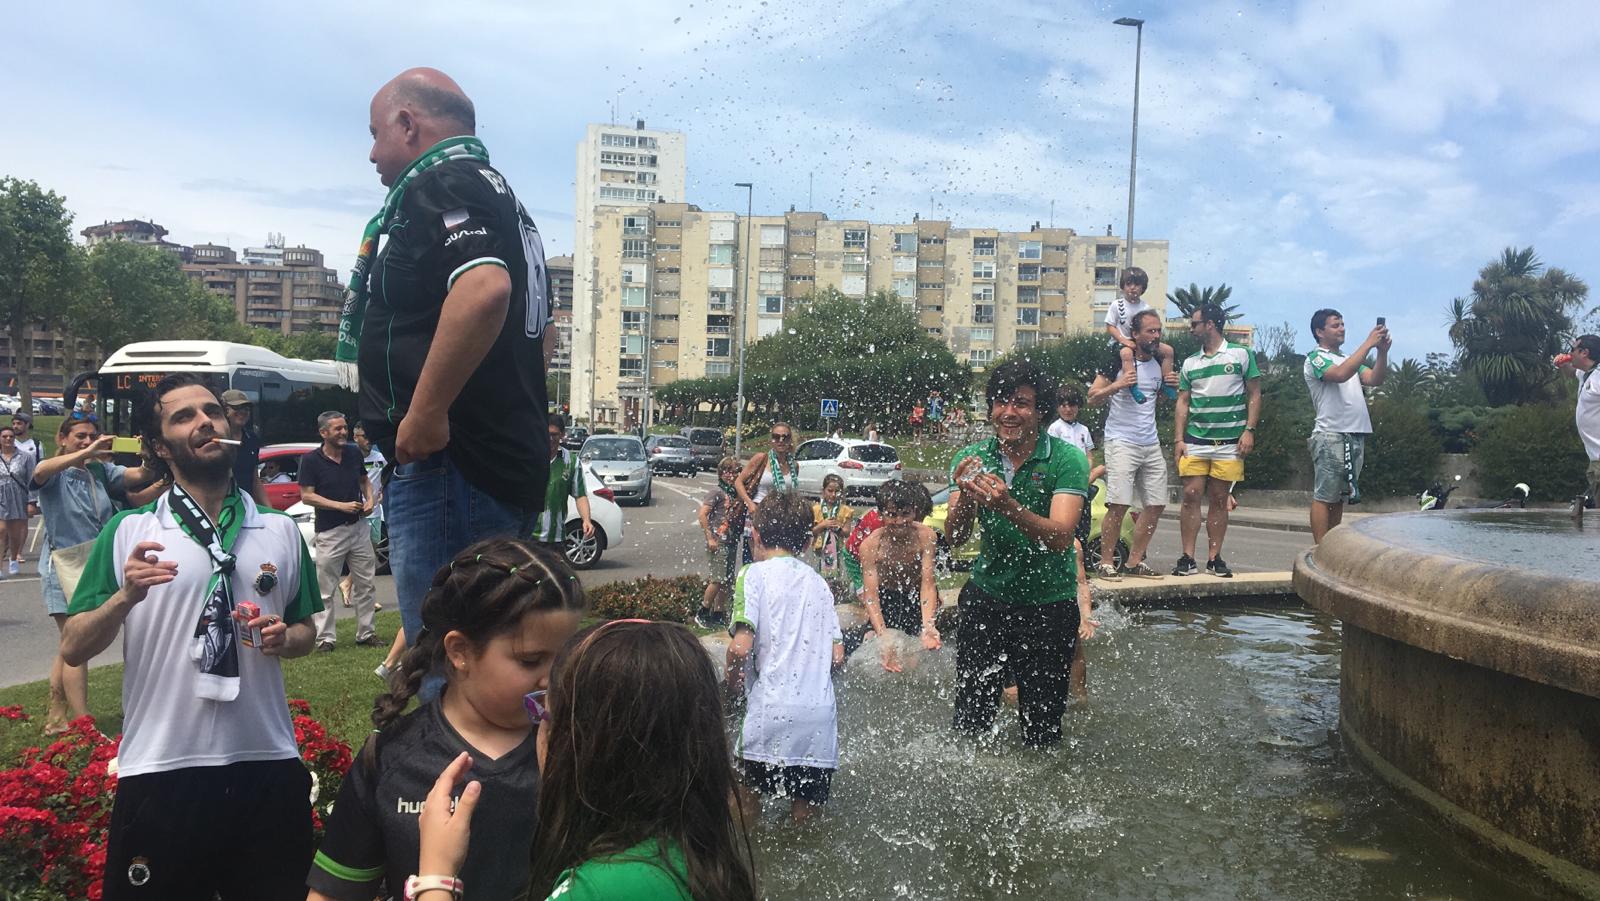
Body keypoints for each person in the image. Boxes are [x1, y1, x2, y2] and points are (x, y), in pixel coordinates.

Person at [60, 373, 322, 900]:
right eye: (184, 416)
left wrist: (283, 638)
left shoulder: (279, 530)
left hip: (266, 761)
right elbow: (74, 647)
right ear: (159, 446)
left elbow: (306, 632)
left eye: (212, 412)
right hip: (163, 766)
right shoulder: (131, 532)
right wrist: (124, 597)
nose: (205, 421)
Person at [348, 68, 553, 662]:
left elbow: (484, 290)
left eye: (375, 133)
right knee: (496, 668)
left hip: (451, 469)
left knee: (449, 672)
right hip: (493, 464)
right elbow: (543, 334)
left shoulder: (442, 181)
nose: (372, 153)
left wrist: (426, 411)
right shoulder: (507, 201)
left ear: (408, 125)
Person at [306, 539, 584, 901]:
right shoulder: (394, 757)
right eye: (531, 660)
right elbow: (334, 893)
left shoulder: (581, 744)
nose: (554, 678)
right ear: (460, 651)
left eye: (566, 656)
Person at [416, 620, 758, 901]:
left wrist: (436, 875)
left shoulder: (603, 888)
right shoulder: (684, 855)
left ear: (586, 747)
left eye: (543, 714)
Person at [945, 359, 1096, 747]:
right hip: (987, 599)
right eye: (1000, 402)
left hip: (1049, 605)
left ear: (1040, 411)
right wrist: (963, 494)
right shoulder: (975, 456)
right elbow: (956, 536)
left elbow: (1062, 537)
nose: (1008, 412)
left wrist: (1009, 506)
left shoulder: (1067, 459)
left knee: (1043, 730)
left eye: (1021, 403)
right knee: (970, 719)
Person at [32, 415, 161, 734]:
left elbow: (138, 477)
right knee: (74, 643)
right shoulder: (56, 473)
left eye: (92, 436)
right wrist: (84, 453)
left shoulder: (101, 471)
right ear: (62, 439)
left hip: (93, 564)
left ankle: (59, 713)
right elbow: (38, 473)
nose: (87, 441)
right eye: (80, 436)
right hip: (63, 565)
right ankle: (80, 719)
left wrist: (148, 455)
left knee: (70, 644)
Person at [727, 492, 844, 822]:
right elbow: (837, 656)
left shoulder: (752, 574)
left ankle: (746, 871)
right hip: (819, 721)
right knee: (805, 828)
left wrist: (732, 684)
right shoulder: (821, 585)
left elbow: (739, 648)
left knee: (745, 812)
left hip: (770, 713)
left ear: (757, 535)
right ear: (808, 542)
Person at [1171, 304, 1261, 577]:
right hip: (1196, 440)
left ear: (1210, 324)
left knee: (1220, 498)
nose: (1191, 328)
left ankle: (1214, 558)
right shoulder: (1190, 363)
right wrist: (1178, 439)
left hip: (1230, 442)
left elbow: (1255, 394)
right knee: (1190, 496)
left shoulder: (1241, 354)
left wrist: (1250, 430)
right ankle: (1187, 557)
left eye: (1194, 324)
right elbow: (1183, 403)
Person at [1089, 310, 1178, 579]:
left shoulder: (1159, 363)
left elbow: (1156, 399)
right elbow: (1092, 398)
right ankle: (1106, 562)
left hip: (1149, 442)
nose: (1156, 336)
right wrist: (1117, 385)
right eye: (1150, 331)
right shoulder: (1116, 360)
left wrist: (1168, 387)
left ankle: (1134, 562)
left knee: (1156, 504)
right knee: (1118, 503)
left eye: (1158, 331)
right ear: (1135, 334)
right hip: (1121, 441)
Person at [1305, 309, 1390, 542]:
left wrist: (1382, 353)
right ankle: (1320, 548)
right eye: (1335, 325)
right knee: (1325, 495)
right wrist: (1368, 344)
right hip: (1331, 434)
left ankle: (1331, 545)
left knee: (1341, 496)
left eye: (1342, 324)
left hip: (1356, 434)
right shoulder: (1316, 357)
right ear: (1319, 332)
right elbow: (1340, 374)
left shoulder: (1348, 359)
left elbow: (1375, 379)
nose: (1342, 328)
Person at [298, 411, 378, 651]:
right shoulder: (311, 460)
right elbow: (306, 496)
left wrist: (370, 499)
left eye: (345, 428)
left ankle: (366, 633)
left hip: (358, 527)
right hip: (330, 531)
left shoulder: (353, 453)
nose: (344, 432)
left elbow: (364, 481)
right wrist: (340, 506)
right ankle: (325, 639)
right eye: (338, 429)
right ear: (324, 433)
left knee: (366, 583)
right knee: (325, 589)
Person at [855, 479, 941, 672]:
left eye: (905, 514)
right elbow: (871, 595)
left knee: (916, 660)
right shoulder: (871, 546)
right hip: (886, 599)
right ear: (881, 514)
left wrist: (928, 625)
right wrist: (883, 635)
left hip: (914, 597)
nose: (900, 521)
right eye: (892, 515)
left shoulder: (926, 536)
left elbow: (927, 584)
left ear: (915, 511)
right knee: (876, 651)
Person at [1047, 384, 1105, 553]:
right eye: (1063, 405)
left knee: (1083, 523)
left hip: (1081, 482)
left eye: (1071, 405)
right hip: (1063, 480)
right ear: (1058, 407)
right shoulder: (1055, 428)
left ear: (1078, 406)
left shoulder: (1083, 430)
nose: (1067, 409)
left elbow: (1088, 455)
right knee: (1063, 523)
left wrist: (1088, 472)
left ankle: (1082, 562)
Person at [1104, 268, 1175, 405]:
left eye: (1136, 285)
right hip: (1121, 342)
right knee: (1126, 354)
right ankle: (1133, 385)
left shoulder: (1146, 308)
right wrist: (1124, 340)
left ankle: (1166, 382)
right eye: (1128, 284)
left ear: (1143, 288)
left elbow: (1151, 327)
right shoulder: (1117, 305)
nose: (1132, 288)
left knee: (1168, 351)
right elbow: (1110, 326)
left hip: (1141, 342)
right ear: (1123, 286)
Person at [531, 414, 592, 556]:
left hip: (556, 539)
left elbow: (580, 495)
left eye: (555, 434)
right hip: (530, 536)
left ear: (562, 435)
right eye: (547, 434)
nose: (550, 439)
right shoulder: (530, 457)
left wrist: (586, 520)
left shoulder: (570, 461)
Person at [696, 456, 743, 629]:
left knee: (726, 580)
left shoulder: (734, 493)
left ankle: (718, 613)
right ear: (721, 473)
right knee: (717, 579)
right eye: (727, 471)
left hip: (730, 540)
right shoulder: (716, 492)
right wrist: (709, 538)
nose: (731, 475)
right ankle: (702, 611)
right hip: (718, 541)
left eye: (735, 472)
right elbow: (702, 515)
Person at [1557, 335, 1600, 506]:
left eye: (1573, 349)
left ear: (1584, 353)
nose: (1570, 353)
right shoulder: (1586, 374)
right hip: (1595, 457)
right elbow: (1570, 373)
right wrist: (1563, 364)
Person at [734, 421, 798, 517]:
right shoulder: (761, 458)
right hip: (758, 511)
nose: (781, 440)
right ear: (771, 440)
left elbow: (792, 494)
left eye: (785, 437)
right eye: (776, 437)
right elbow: (738, 482)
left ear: (790, 441)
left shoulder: (794, 466)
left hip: (783, 514)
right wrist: (749, 503)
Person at [0, 426, 36, 577]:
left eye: (11, 436)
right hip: (1, 496)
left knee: (14, 534)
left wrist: (31, 502)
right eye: (4, 436)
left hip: (18, 497)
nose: (8, 439)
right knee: (1, 531)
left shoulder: (26, 457)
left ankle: (13, 558)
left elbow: (32, 480)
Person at [221, 389, 267, 506]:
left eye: (246, 409)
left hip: (246, 506)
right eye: (237, 408)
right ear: (225, 410)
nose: (243, 412)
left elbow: (255, 480)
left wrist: (271, 511)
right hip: (222, 507)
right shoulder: (216, 439)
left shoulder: (252, 439)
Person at [810, 473, 855, 586]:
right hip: (819, 550)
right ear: (823, 491)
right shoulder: (815, 509)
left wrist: (838, 528)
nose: (833, 495)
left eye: (837, 491)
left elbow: (846, 533)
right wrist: (823, 525)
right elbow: (812, 531)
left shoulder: (845, 510)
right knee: (818, 578)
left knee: (835, 579)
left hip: (837, 550)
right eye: (830, 491)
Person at [12, 411, 42, 522]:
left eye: (19, 423)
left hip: (27, 488)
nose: (15, 426)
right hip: (9, 487)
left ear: (27, 425)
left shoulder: (36, 444)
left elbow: (40, 465)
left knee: (22, 522)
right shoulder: (8, 442)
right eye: (14, 423)